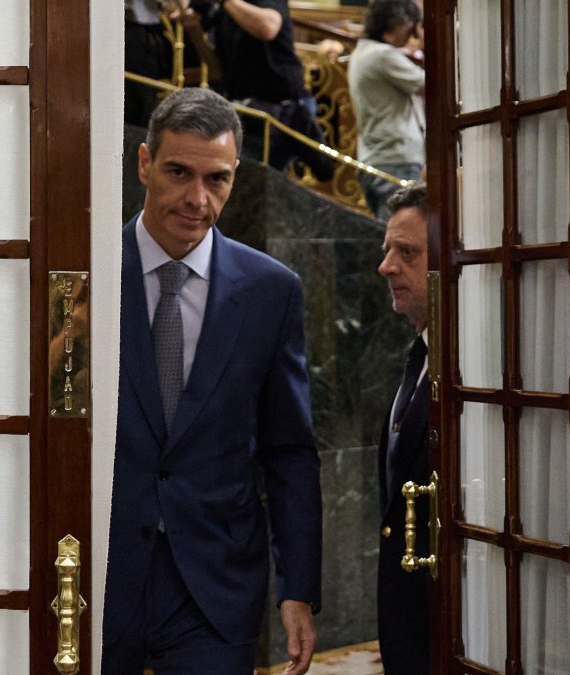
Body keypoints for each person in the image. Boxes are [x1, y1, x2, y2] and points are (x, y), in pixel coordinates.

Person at [102, 87, 322, 675]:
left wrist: (298, 588)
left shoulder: (271, 291)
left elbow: (290, 452)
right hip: (97, 575)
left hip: (216, 589)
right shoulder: (84, 274)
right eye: (178, 172)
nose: (196, 199)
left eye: (216, 179)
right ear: (144, 163)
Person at [180, 0, 335, 180]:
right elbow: (217, 71)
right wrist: (195, 30)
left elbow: (268, 28)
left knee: (251, 180)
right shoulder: (221, 10)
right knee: (248, 180)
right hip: (248, 109)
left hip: (282, 106)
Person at [375, 182, 431, 674]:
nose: (387, 266)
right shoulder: (421, 352)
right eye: (387, 249)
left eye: (406, 253)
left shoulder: (478, 363)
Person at [349, 0, 426, 221]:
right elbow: (432, 85)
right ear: (396, 24)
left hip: (374, 157)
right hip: (396, 158)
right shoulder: (383, 55)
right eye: (410, 26)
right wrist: (425, 42)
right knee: (400, 231)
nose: (410, 35)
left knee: (388, 230)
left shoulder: (362, 51)